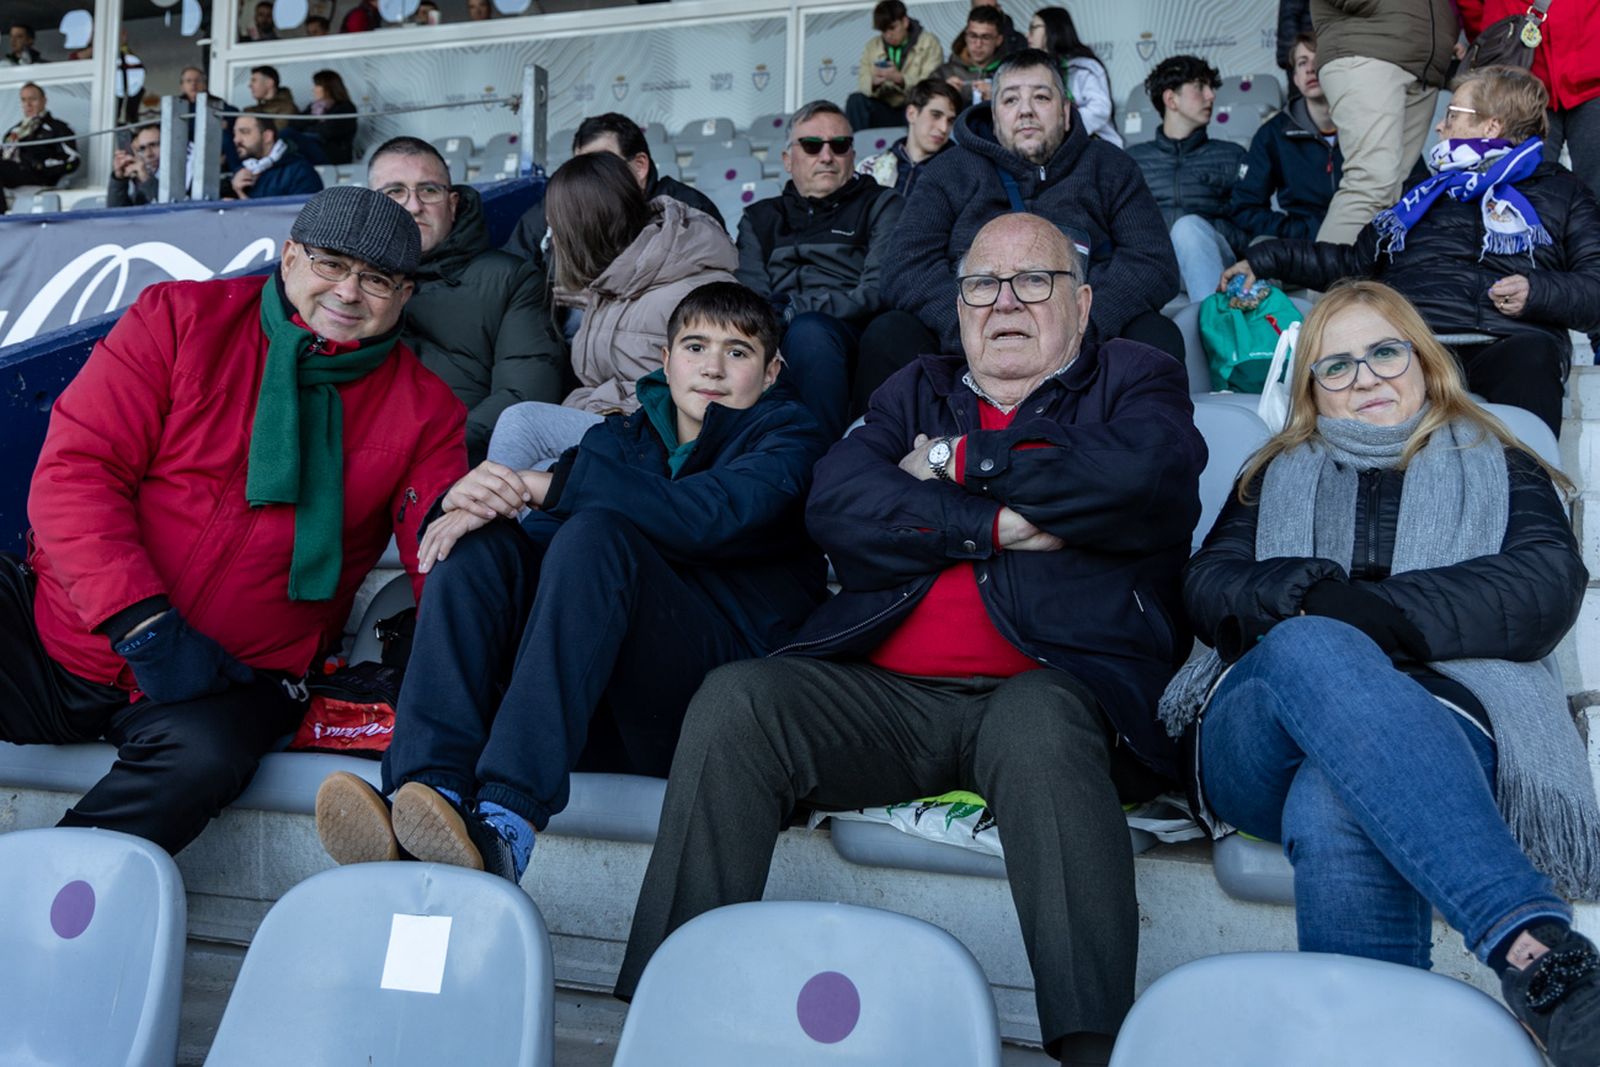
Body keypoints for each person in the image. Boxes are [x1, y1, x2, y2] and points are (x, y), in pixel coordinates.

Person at [617, 212, 1205, 1067]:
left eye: (1032, 281)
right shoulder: (912, 389)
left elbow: (1141, 477)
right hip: (889, 697)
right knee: (741, 700)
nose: (1004, 302)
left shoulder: (1134, 376)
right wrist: (1000, 525)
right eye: (980, 285)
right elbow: (839, 502)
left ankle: (1092, 1047)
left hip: (1058, 686)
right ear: (957, 305)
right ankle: (662, 1018)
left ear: (1081, 304)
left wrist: (957, 463)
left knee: (1038, 725)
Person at [1167, 279, 1600, 1067]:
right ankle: (1535, 947)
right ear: (1312, 391)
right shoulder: (1270, 473)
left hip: (1445, 719)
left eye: (1383, 352)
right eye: (1336, 367)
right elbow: (1207, 584)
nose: (1363, 377)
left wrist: (1375, 613)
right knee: (1310, 645)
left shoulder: (1504, 462)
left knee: (1336, 794)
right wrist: (1316, 605)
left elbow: (1544, 584)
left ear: (1425, 361)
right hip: (1259, 728)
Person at [0, 186, 465, 855]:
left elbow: (436, 555)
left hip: (227, 680)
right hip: (66, 636)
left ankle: (38, 907)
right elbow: (77, 471)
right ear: (289, 257)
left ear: (405, 296)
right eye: (330, 264)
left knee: (205, 756)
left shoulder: (426, 411)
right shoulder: (179, 318)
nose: (348, 293)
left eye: (377, 279)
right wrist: (142, 623)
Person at [314, 282, 830, 883]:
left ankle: (506, 823)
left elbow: (708, 516)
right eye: (694, 346)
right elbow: (528, 559)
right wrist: (467, 503)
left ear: (771, 373)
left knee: (595, 535)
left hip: (707, 709)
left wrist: (539, 484)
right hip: (593, 707)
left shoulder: (790, 440)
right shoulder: (617, 440)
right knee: (482, 544)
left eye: (737, 353)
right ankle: (429, 792)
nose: (712, 367)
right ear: (665, 361)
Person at [1225, 65, 1600, 436]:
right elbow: (1354, 264)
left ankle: (1528, 483)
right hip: (1418, 344)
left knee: (1532, 357)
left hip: (1506, 341)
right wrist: (1267, 257)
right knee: (1357, 364)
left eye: (1453, 115)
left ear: (1492, 126)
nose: (1440, 126)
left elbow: (1593, 288)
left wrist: (1537, 292)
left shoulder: (1563, 191)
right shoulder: (1420, 194)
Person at [866, 49, 1180, 412]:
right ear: (995, 113)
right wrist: (973, 329)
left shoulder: (1111, 167)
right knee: (889, 332)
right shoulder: (949, 171)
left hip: (1086, 348)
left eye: (1041, 97)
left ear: (1065, 112)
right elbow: (904, 267)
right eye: (1011, 99)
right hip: (968, 347)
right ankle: (895, 457)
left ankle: (1139, 459)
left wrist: (1080, 327)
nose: (1026, 110)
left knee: (1157, 334)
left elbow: (1153, 263)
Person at [492, 152, 737, 468]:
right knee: (534, 475)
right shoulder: (613, 281)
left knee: (521, 423)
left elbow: (703, 398)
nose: (550, 229)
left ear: (586, 225)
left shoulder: (693, 291)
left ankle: (482, 517)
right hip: (614, 425)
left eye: (556, 219)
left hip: (663, 442)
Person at [368, 137, 564, 465]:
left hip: (460, 467)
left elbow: (523, 395)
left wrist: (432, 451)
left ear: (453, 202)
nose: (413, 206)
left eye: (429, 190)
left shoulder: (511, 279)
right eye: (394, 192)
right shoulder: (342, 283)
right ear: (370, 205)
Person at [736, 100, 902, 437]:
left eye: (839, 145)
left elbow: (876, 290)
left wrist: (797, 310)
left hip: (846, 331)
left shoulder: (881, 204)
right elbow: (750, 294)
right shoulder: (759, 218)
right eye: (812, 146)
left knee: (810, 331)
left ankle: (819, 461)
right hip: (774, 327)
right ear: (787, 160)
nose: (827, 156)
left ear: (852, 156)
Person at [1310, 0, 1457, 243]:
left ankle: (1364, 280)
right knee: (1369, 185)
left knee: (1392, 196)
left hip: (1422, 64)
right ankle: (1328, 280)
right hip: (1367, 49)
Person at [504, 112, 724, 268]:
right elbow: (514, 275)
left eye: (602, 164)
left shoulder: (688, 211)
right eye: (581, 167)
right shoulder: (554, 209)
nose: (587, 178)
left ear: (639, 166)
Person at [1127, 55, 1247, 302]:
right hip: (1157, 268)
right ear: (1171, 99)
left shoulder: (1232, 155)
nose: (1211, 96)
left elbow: (1250, 225)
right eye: (1200, 87)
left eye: (1211, 88)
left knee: (1189, 229)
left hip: (1219, 268)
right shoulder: (1132, 161)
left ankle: (1214, 326)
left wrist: (1201, 231)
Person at [1459, 0, 1600, 202]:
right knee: (1522, 192)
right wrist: (1493, 38)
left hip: (1585, 73)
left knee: (1527, 191)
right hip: (1522, 79)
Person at [1228, 32, 1342, 241]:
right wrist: (1300, 232)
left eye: (1319, 59)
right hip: (1303, 248)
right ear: (1295, 78)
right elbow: (1245, 208)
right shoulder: (1273, 134)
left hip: (1367, 244)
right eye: (1302, 62)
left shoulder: (1368, 125)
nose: (1310, 69)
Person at [846, 0, 944, 133]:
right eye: (883, 30)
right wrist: (873, 84)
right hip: (884, 107)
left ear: (905, 22)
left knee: (926, 106)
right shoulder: (872, 46)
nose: (888, 35)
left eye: (892, 28)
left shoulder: (929, 43)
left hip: (914, 108)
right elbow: (863, 81)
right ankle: (855, 149)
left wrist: (901, 79)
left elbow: (932, 87)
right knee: (856, 100)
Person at [1027, 7, 1119, 146]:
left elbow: (1100, 109)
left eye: (1034, 27)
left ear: (1053, 29)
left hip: (1095, 146)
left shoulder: (1084, 66)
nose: (1028, 35)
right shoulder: (1034, 70)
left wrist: (1061, 125)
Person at [858, 76, 962, 198]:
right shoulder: (870, 168)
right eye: (936, 115)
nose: (944, 128)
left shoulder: (959, 174)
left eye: (950, 121)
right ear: (911, 114)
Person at [1, 83, 80, 189]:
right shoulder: (14, 131)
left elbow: (73, 160)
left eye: (32, 99)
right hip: (11, 175)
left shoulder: (58, 128)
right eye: (23, 100)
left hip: (38, 177)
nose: (28, 104)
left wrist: (41, 166)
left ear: (44, 100)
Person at [229, 112, 324, 200]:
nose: (236, 140)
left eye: (244, 132)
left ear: (267, 136)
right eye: (234, 134)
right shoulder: (240, 171)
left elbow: (305, 216)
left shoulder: (300, 171)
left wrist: (240, 195)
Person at [935, 6, 1010, 106]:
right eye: (973, 36)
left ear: (998, 40)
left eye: (986, 37)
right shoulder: (945, 72)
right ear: (965, 36)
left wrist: (998, 97)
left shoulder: (1011, 71)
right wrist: (944, 93)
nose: (978, 44)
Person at [304, 69, 358, 165]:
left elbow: (327, 131)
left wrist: (306, 129)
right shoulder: (314, 106)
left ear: (327, 88)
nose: (313, 89)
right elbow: (295, 122)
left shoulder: (346, 107)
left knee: (291, 135)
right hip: (316, 149)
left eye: (317, 85)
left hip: (334, 155)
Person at [108, 124, 161, 208]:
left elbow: (171, 212)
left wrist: (146, 179)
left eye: (154, 145)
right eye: (142, 148)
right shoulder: (140, 181)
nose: (148, 154)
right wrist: (119, 179)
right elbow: (116, 215)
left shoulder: (185, 176)